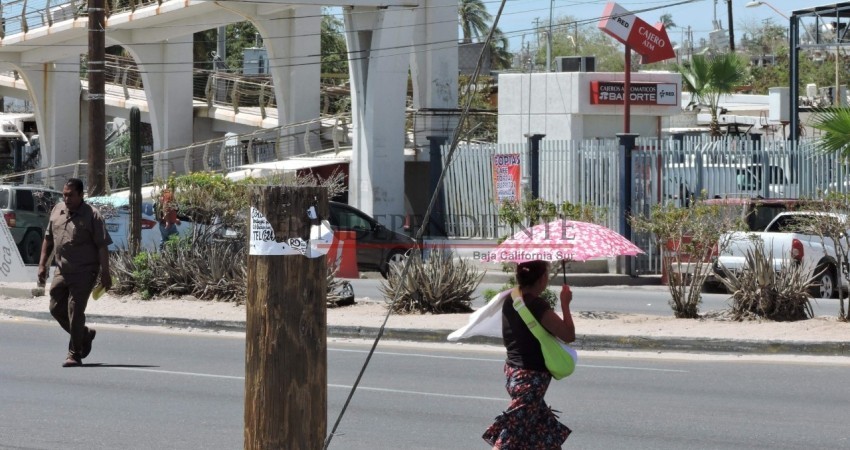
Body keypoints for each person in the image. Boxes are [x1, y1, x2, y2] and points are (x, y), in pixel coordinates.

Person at [483, 260, 576, 449]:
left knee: (544, 430)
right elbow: (568, 335)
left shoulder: (512, 299)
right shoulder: (536, 304)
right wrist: (565, 304)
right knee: (508, 439)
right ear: (542, 278)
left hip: (514, 374)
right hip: (530, 382)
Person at [37, 178, 113, 367]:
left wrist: (105, 273)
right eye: (64, 194)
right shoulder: (57, 210)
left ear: (81, 195)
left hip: (85, 271)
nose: (66, 198)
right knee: (55, 308)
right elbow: (48, 239)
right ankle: (84, 334)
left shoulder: (92, 215)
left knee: (75, 310)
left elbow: (102, 246)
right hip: (62, 270)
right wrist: (42, 264)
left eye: (71, 195)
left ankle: (75, 353)